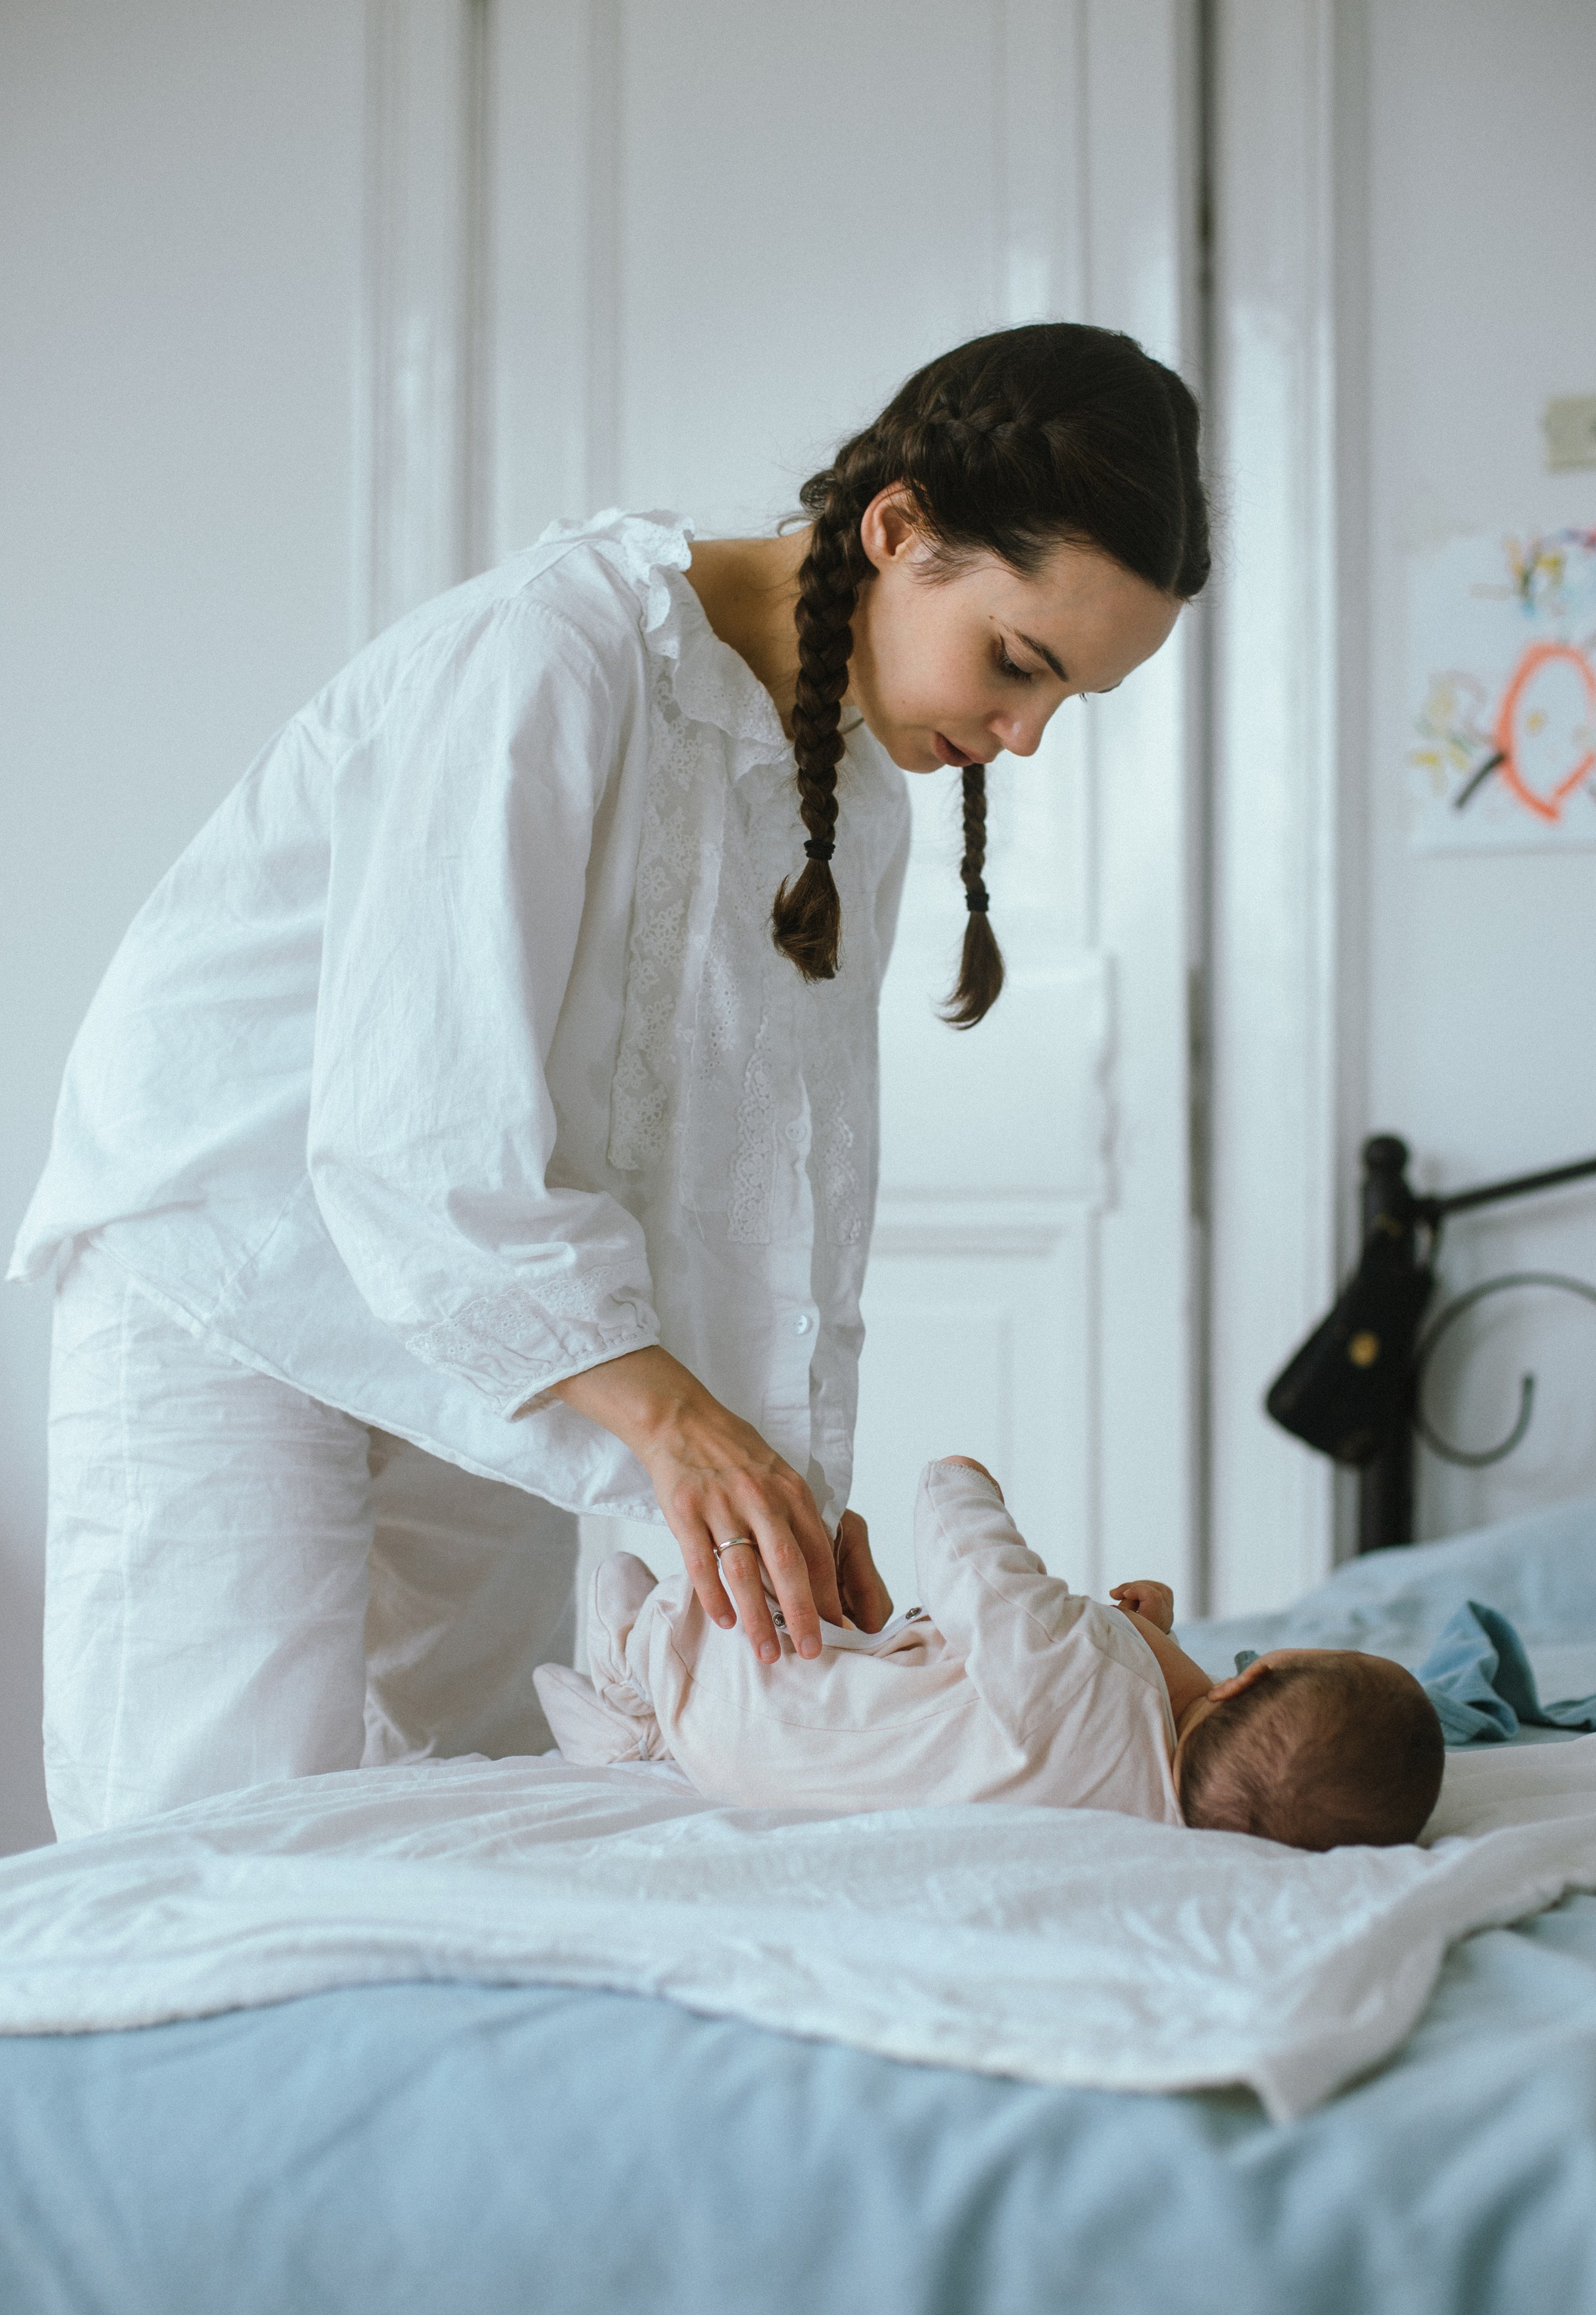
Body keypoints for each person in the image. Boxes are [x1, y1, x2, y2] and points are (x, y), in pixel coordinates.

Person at [10, 324, 1208, 1838]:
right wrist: (681, 1429)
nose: (1021, 739)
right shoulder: (548, 656)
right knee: (208, 1830)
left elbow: (768, 1183)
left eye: (1067, 703)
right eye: (1017, 665)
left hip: (495, 1315)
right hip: (236, 1265)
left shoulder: (857, 808)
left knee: (487, 1797)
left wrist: (779, 1487)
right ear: (898, 530)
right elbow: (411, 1135)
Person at [537, 1458, 1446, 1852]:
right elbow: (1126, 1728)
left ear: (1254, 1674)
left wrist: (964, 1480)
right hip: (762, 1774)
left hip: (762, 1691)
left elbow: (980, 1576)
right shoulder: (1149, 1816)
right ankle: (653, 1718)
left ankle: (630, 1701)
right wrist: (1156, 1636)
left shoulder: (1086, 1673)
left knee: (635, 1582)